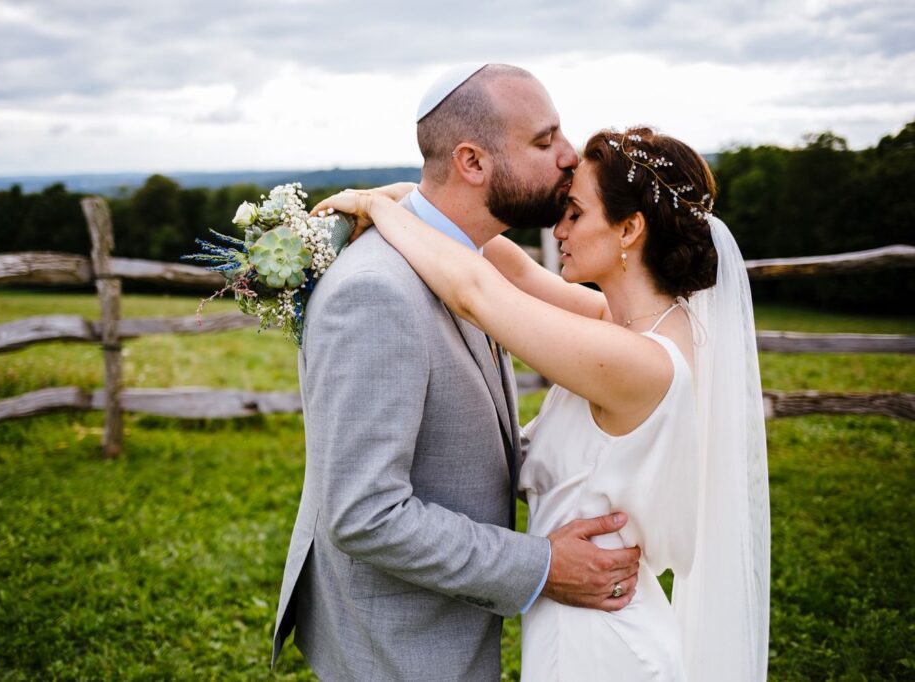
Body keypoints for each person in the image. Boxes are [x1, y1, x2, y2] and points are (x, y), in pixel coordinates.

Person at [316, 126, 770, 680]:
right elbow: (505, 263)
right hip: (589, 618)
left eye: (575, 213)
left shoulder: (639, 363)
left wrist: (371, 207)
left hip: (600, 642)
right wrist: (404, 197)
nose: (558, 230)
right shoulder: (632, 325)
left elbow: (476, 292)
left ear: (629, 228)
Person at [271, 64, 646, 680]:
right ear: (472, 163)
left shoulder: (463, 267)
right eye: (544, 140)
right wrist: (542, 565)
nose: (569, 156)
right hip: (398, 649)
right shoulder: (377, 292)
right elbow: (365, 514)